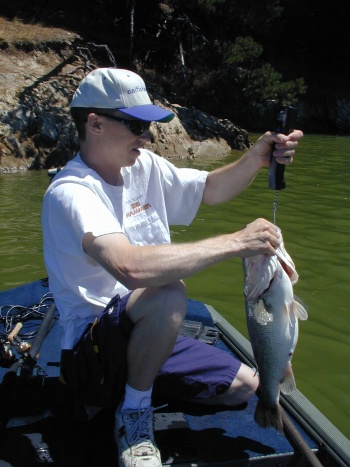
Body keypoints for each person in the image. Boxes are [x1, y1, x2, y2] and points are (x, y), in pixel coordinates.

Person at [41, 67, 303, 467]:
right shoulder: (71, 192)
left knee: (245, 388)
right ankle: (132, 416)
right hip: (93, 348)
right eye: (135, 125)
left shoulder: (144, 166)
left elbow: (210, 189)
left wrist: (256, 157)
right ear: (94, 123)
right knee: (167, 290)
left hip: (148, 328)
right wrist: (236, 243)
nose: (146, 136)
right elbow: (130, 268)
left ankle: (138, 379)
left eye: (148, 126)